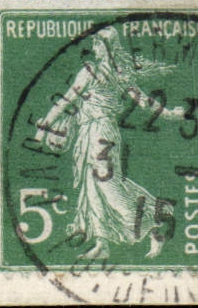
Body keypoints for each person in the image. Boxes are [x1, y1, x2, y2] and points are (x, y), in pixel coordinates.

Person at [33, 27, 184, 260]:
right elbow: (145, 102)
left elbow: (66, 100)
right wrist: (170, 113)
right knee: (91, 187)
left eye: (97, 44)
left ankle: (155, 223)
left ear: (106, 47)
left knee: (109, 187)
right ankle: (102, 243)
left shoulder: (93, 72)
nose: (93, 48)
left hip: (101, 133)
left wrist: (44, 128)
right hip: (93, 132)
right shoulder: (118, 74)